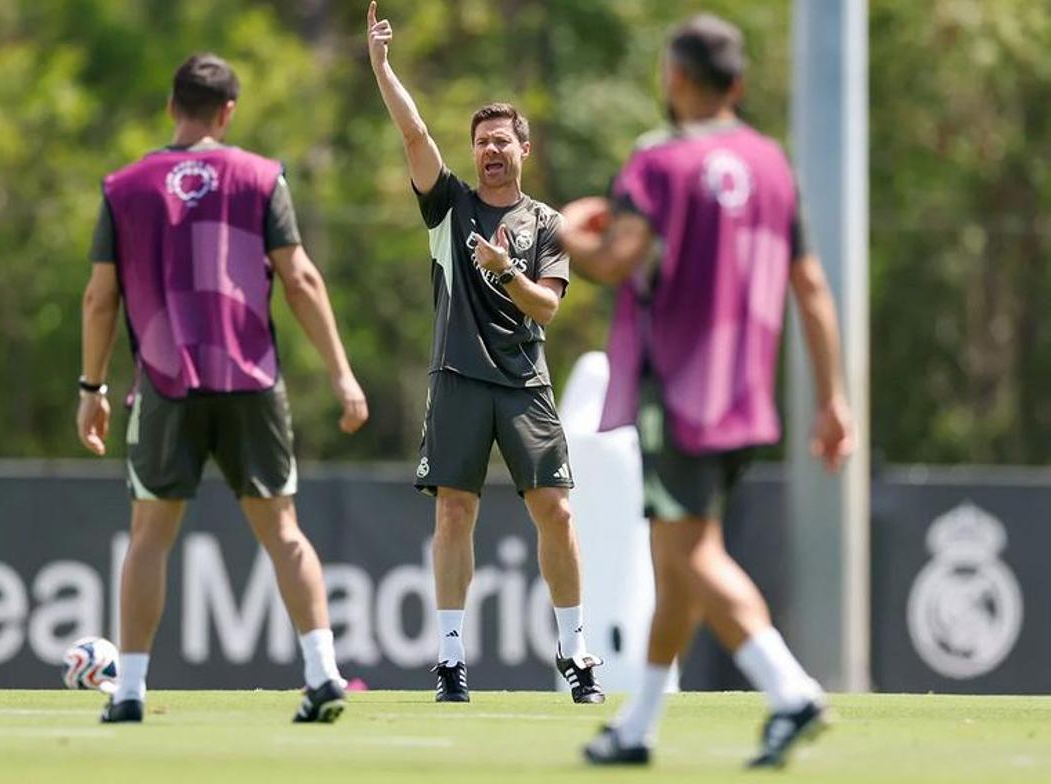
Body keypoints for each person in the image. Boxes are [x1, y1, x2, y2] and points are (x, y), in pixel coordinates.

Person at [558, 14, 856, 769]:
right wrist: (832, 397)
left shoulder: (658, 163)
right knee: (678, 558)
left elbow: (616, 260)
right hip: (747, 394)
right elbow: (811, 286)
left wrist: (565, 231)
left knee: (692, 553)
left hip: (680, 393)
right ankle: (638, 727)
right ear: (740, 84)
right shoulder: (773, 163)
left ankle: (789, 691)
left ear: (678, 78)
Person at [77, 53, 369, 725]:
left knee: (149, 536)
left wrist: (91, 386)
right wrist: (342, 374)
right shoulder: (260, 177)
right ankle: (322, 672)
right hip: (250, 376)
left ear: (171, 106)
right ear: (228, 111)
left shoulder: (125, 187)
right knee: (285, 532)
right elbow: (300, 279)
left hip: (164, 380)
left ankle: (129, 692)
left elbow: (99, 298)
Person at [366, 1, 604, 704]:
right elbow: (412, 133)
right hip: (459, 379)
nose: (492, 150)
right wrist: (383, 66)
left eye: (504, 140)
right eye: (483, 142)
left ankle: (576, 649)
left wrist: (506, 272)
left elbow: (548, 307)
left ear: (524, 149)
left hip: (525, 384)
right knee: (453, 513)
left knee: (556, 511)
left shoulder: (549, 225)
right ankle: (449, 659)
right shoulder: (449, 208)